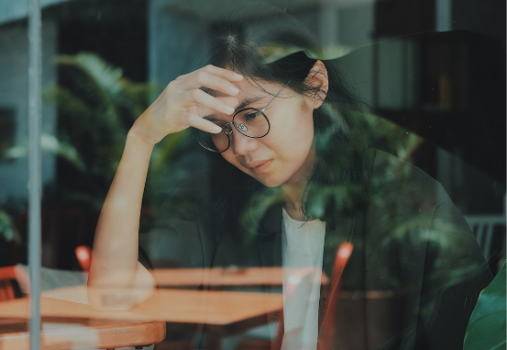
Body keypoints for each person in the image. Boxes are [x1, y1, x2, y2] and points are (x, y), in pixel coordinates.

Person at [88, 5, 492, 350]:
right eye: (221, 130)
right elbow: (111, 296)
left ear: (314, 87)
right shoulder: (221, 207)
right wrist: (141, 138)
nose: (241, 147)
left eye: (251, 115)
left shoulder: (408, 201)